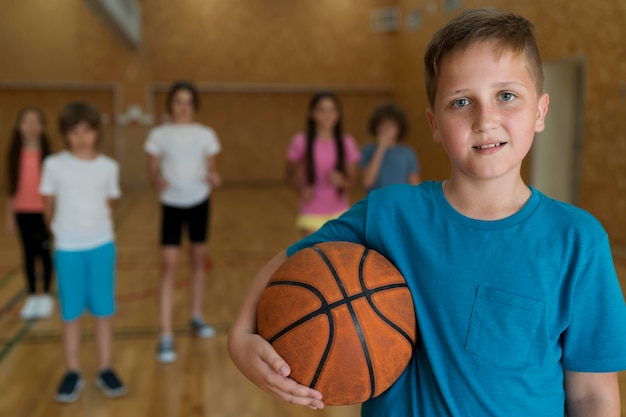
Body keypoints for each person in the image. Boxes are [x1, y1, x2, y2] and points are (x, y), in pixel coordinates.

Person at [228, 8, 626, 416]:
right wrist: (241, 336)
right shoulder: (390, 214)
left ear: (540, 111)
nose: (485, 119)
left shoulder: (577, 241)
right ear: (434, 123)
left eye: (506, 96)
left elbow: (593, 395)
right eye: (461, 102)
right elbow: (291, 262)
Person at [40, 101, 126, 403]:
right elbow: (47, 208)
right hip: (67, 249)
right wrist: (62, 234)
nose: (80, 137)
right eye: (74, 131)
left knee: (103, 312)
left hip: (101, 247)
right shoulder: (53, 165)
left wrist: (93, 230)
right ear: (65, 134)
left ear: (96, 132)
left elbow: (110, 204)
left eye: (86, 130)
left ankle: (105, 367)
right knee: (71, 313)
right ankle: (73, 370)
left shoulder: (108, 167)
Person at [144, 81, 222, 364]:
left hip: (200, 201)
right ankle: (165, 335)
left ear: (195, 105)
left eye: (188, 101)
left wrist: (214, 176)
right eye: (178, 100)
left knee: (198, 260)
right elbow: (152, 170)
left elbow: (212, 167)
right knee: (169, 266)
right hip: (172, 205)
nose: (183, 106)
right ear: (170, 105)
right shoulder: (159, 134)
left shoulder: (205, 134)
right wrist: (156, 180)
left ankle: (196, 316)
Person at [285, 92, 361, 237]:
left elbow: (354, 181)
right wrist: (301, 188)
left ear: (338, 114)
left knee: (338, 257)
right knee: (314, 256)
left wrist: (342, 181)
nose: (327, 114)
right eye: (322, 110)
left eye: (332, 110)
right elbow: (289, 175)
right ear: (312, 113)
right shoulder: (301, 141)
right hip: (311, 211)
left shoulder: (347, 142)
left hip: (340, 211)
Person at [5, 107, 54, 319]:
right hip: (22, 211)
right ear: (19, 126)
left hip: (44, 212)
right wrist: (9, 216)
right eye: (26, 121)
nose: (31, 126)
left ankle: (46, 295)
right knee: (27, 254)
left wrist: (54, 214)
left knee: (44, 254)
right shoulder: (15, 156)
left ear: (42, 127)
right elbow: (11, 188)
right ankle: (33, 295)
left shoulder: (49, 158)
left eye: (36, 121)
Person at [360, 102, 421, 193]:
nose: (386, 129)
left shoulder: (407, 152)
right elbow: (367, 182)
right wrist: (381, 148)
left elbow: (415, 184)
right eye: (382, 125)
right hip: (375, 203)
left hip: (400, 203)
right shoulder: (368, 150)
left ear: (399, 128)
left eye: (391, 125)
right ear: (376, 126)